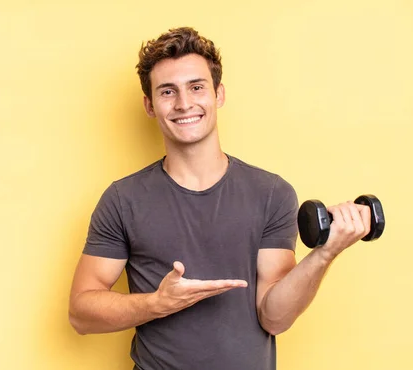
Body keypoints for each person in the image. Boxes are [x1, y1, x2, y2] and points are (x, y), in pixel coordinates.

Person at [68, 27, 372, 370]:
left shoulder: (271, 193)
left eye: (197, 87)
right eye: (168, 91)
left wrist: (325, 253)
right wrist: (158, 303)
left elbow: (274, 319)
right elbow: (81, 314)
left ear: (219, 94)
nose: (184, 104)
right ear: (149, 105)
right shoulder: (123, 199)